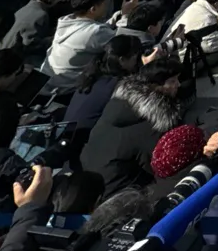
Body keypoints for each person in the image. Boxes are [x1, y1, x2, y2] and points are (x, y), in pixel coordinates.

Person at [78, 59, 186, 193]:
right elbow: (159, 165)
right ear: (156, 86)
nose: (178, 85)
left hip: (91, 180)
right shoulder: (153, 125)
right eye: (173, 81)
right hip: (120, 192)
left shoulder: (116, 105)